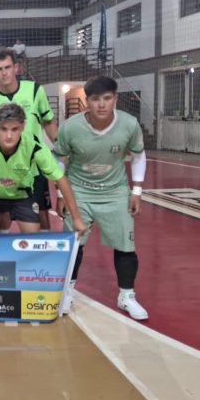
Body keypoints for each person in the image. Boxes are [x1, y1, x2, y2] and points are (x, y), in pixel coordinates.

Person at [53, 76, 148, 320]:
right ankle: (66, 292)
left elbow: (138, 155)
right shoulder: (71, 127)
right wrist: (61, 193)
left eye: (107, 98)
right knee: (74, 244)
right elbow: (59, 159)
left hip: (115, 191)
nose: (102, 104)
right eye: (96, 99)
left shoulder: (129, 124)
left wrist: (137, 191)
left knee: (125, 245)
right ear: (87, 101)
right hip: (79, 191)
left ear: (115, 99)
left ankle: (127, 296)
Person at [0, 103, 86, 238]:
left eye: (15, 129)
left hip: (20, 194)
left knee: (32, 236)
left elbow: (60, 178)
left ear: (23, 126)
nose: (9, 136)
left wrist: (77, 219)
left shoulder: (34, 145)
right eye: (4, 129)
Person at [0, 48, 57, 232]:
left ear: (16, 68)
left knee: (42, 215)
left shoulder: (35, 90)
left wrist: (60, 147)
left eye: (7, 67)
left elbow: (48, 122)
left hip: (33, 165)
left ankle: (41, 249)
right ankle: (3, 243)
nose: (4, 73)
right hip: (3, 166)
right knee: (4, 214)